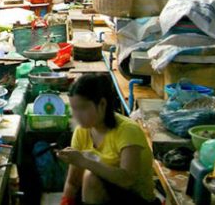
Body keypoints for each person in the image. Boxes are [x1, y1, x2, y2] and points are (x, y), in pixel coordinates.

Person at [57, 74, 156, 205]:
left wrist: (84, 161)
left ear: (102, 104)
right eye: (74, 109)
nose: (77, 115)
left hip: (136, 199)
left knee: (91, 179)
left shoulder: (127, 130)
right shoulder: (82, 131)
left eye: (83, 108)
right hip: (104, 197)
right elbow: (72, 182)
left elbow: (127, 180)